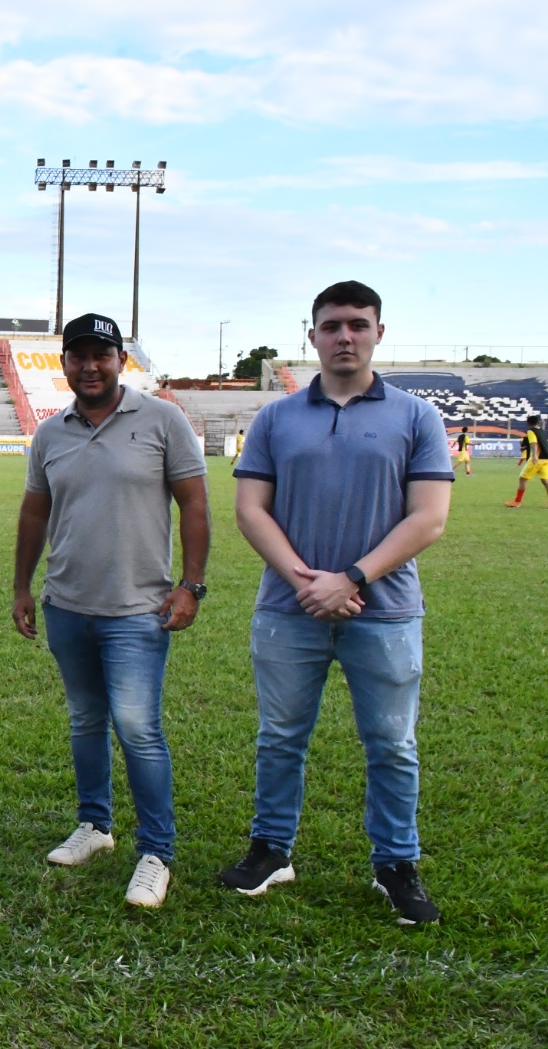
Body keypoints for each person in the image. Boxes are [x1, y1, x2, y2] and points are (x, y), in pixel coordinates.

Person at [221, 280, 452, 925]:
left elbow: (428, 519)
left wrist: (349, 578)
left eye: (357, 324)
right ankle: (271, 850)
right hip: (287, 609)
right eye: (331, 325)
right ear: (312, 333)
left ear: (380, 331)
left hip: (386, 612)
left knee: (391, 743)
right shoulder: (276, 417)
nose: (344, 336)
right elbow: (250, 509)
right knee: (280, 737)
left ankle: (395, 864)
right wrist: (305, 583)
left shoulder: (415, 416)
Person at [12, 312, 209, 908]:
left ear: (123, 360)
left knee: (138, 729)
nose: (90, 366)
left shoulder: (162, 419)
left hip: (138, 611)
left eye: (103, 355)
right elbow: (33, 515)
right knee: (84, 720)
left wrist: (191, 586)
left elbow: (195, 507)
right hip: (68, 604)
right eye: (79, 356)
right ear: (65, 363)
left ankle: (156, 851)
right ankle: (94, 826)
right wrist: (22, 586)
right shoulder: (52, 432)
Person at [505, 414, 546, 506]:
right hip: (546, 459)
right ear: (538, 422)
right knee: (545, 480)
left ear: (528, 423)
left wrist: (535, 456)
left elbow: (534, 443)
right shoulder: (544, 431)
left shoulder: (531, 431)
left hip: (537, 459)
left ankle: (517, 502)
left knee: (522, 479)